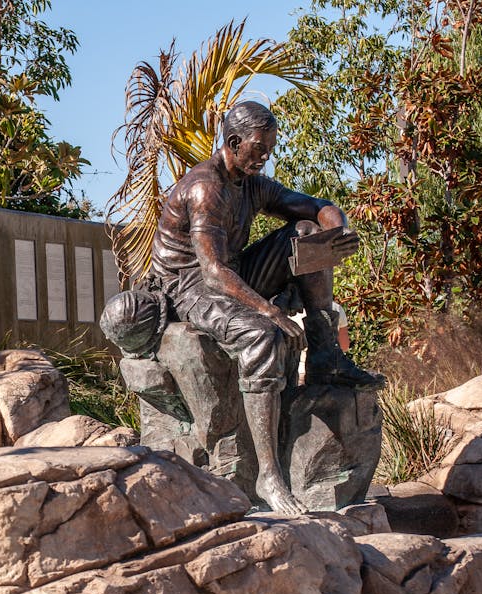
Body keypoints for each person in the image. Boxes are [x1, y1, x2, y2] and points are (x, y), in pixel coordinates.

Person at [147, 101, 383, 515]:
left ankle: (326, 352)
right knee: (261, 334)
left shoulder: (251, 182)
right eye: (259, 148)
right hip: (188, 286)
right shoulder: (207, 187)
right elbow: (214, 272)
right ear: (234, 143)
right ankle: (268, 475)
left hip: (230, 271)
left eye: (270, 148)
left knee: (308, 234)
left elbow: (314, 207)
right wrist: (269, 312)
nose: (265, 156)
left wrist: (338, 228)